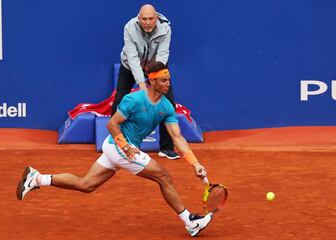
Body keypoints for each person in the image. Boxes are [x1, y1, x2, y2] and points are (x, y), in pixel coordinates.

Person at [16, 62, 214, 237]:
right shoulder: (134, 100)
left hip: (119, 149)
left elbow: (177, 137)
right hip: (120, 147)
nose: (168, 84)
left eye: (169, 80)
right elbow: (112, 124)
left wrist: (194, 163)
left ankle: (37, 178)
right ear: (152, 81)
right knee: (163, 176)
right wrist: (125, 146)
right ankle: (190, 221)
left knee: (86, 184)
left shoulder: (166, 106)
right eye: (163, 81)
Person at [111, 4, 180, 160]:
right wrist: (143, 87)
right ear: (139, 18)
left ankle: (167, 148)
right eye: (144, 19)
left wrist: (154, 80)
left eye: (151, 19)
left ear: (156, 18)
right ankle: (117, 143)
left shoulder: (165, 29)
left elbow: (162, 55)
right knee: (119, 101)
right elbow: (133, 58)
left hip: (157, 67)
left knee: (169, 102)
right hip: (130, 65)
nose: (148, 22)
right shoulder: (129, 27)